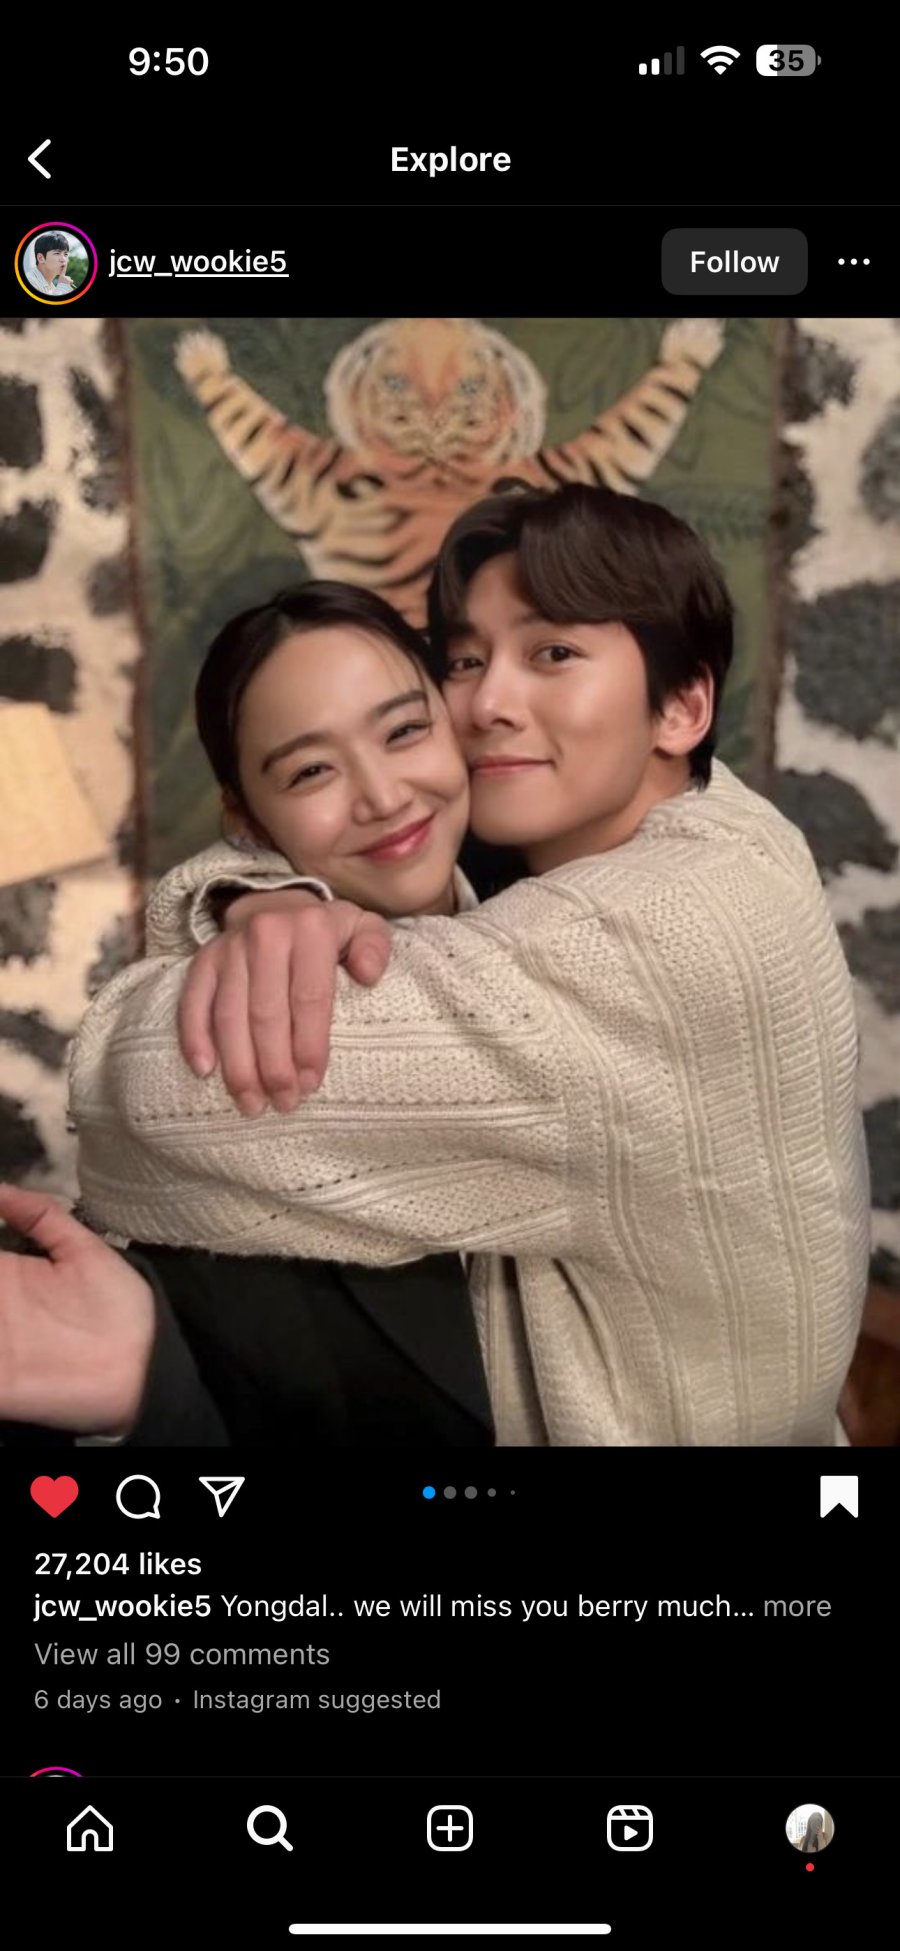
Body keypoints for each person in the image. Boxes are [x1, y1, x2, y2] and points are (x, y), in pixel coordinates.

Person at [67, 483, 870, 1447]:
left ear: (682, 706)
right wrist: (263, 893)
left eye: (553, 653)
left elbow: (142, 1097)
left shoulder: (639, 942)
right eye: (465, 661)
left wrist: (249, 900)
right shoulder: (732, 828)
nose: (487, 704)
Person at [0, 582, 493, 1448]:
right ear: (248, 820)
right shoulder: (219, 1078)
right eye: (311, 771)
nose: (383, 795)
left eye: (404, 730)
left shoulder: (578, 912)